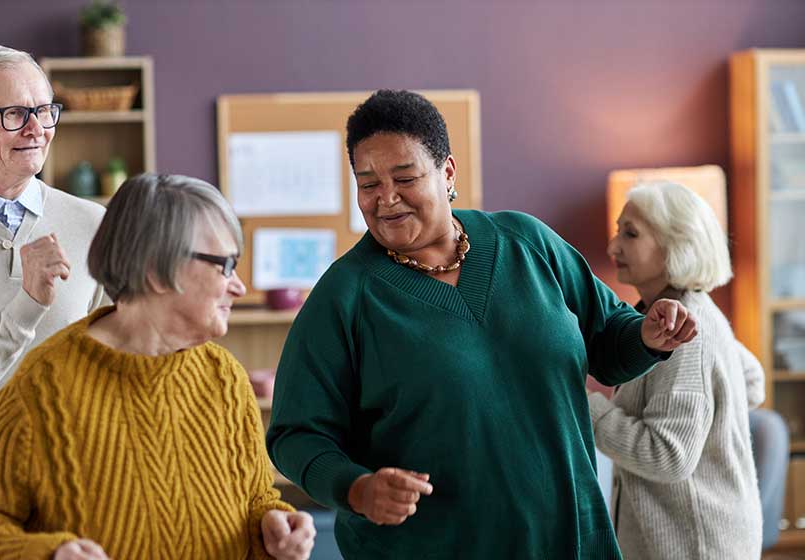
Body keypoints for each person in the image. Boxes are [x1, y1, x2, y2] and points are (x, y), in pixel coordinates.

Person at [266, 89, 697, 559]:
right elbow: (296, 434)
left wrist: (647, 336)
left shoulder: (527, 242)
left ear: (447, 172)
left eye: (404, 177)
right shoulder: (344, 295)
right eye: (367, 183)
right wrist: (357, 489)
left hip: (569, 538)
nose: (385, 199)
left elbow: (610, 340)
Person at [0, 174, 315, 560]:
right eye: (225, 265)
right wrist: (49, 554)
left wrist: (275, 526)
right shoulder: (44, 387)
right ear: (155, 270)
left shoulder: (225, 378)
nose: (239, 286)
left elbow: (255, 499)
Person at [589, 181, 763, 559]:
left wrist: (586, 409)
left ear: (675, 246)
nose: (613, 246)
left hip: (695, 546)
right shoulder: (678, 315)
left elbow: (668, 456)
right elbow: (752, 380)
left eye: (630, 234)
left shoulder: (686, 333)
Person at [0, 43, 107, 437]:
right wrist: (27, 305)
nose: (37, 129)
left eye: (45, 111)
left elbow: (118, 369)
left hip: (74, 486)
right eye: (14, 114)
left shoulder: (94, 223)